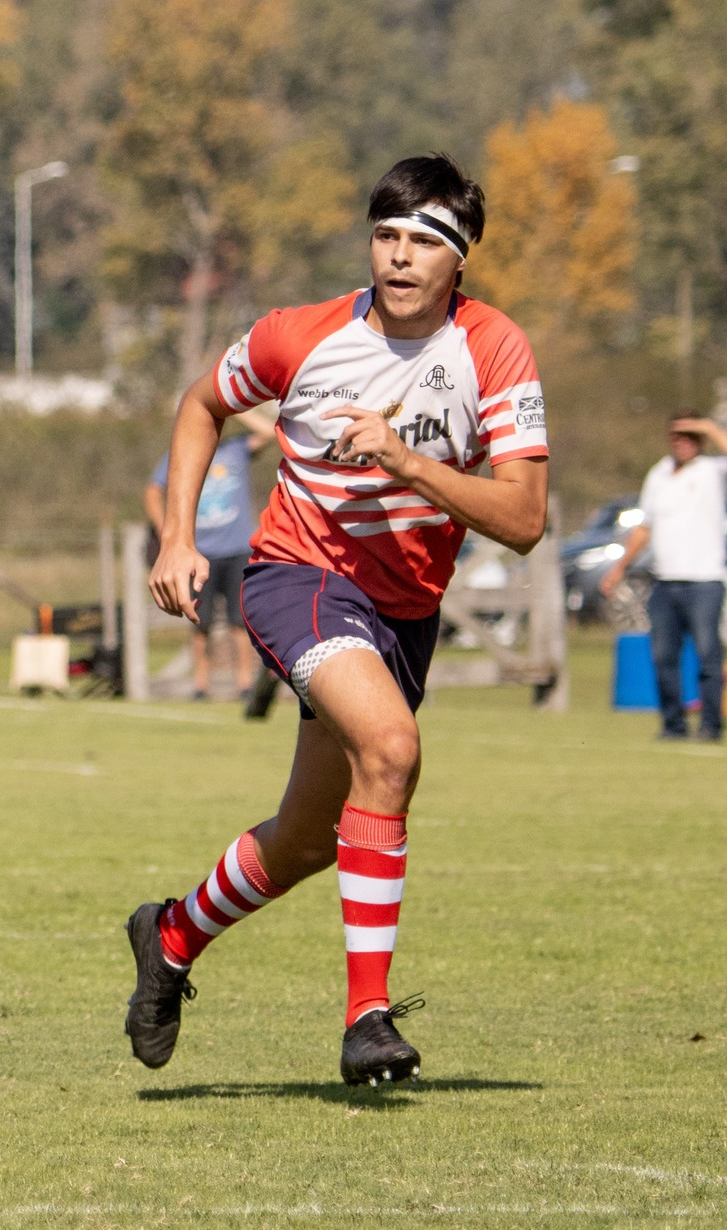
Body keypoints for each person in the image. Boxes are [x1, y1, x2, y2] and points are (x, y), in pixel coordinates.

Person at [128, 154, 549, 1086]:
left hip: (406, 610)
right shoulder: (298, 335)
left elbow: (523, 521)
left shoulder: (496, 349)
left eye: (425, 242)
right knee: (391, 750)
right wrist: (176, 537)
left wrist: (410, 465)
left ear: (461, 260)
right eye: (387, 236)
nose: (401, 258)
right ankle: (367, 1017)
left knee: (310, 839)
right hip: (299, 575)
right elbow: (200, 405)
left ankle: (169, 934)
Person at [599, 417, 727, 740]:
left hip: (705, 580)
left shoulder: (713, 471)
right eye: (676, 435)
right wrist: (619, 567)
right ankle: (674, 725)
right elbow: (645, 526)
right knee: (663, 657)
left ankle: (710, 726)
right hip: (665, 582)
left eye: (689, 435)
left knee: (708, 656)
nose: (682, 441)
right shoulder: (658, 473)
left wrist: (710, 429)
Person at [143, 411, 274, 699]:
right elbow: (153, 491)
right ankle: (201, 686)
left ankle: (244, 684)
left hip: (238, 548)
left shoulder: (237, 449)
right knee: (199, 622)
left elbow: (270, 432)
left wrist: (237, 406)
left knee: (240, 622)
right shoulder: (182, 452)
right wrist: (168, 530)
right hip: (199, 553)